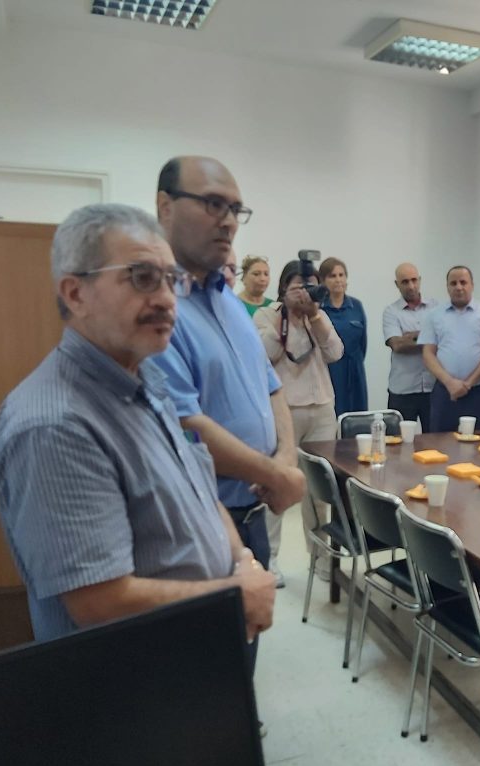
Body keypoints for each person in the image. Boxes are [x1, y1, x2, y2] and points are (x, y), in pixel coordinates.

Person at [0, 203, 275, 644]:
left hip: (201, 644)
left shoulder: (148, 379)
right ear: (75, 294)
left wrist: (242, 562)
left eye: (171, 280)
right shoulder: (54, 426)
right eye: (142, 278)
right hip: (135, 677)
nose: (166, 299)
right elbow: (100, 602)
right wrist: (234, 595)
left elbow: (199, 492)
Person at [153, 156, 306, 677]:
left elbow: (271, 387)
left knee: (241, 662)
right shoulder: (157, 308)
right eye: (212, 204)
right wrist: (276, 475)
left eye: (235, 209)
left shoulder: (228, 302)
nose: (227, 221)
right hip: (200, 526)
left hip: (251, 515)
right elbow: (184, 427)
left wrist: (285, 462)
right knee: (204, 676)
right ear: (165, 206)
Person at [254, 261, 343, 582]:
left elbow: (335, 352)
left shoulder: (318, 315)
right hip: (285, 411)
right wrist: (286, 316)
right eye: (298, 287)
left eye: (310, 286)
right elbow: (263, 355)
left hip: (322, 409)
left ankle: (320, 557)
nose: (305, 293)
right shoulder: (266, 315)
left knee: (319, 489)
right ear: (284, 288)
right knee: (277, 483)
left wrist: (314, 315)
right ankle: (269, 559)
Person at [419, 265, 480, 432]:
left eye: (463, 282)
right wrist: (450, 383)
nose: (458, 287)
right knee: (440, 443)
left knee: (479, 443)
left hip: (477, 392)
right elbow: (428, 354)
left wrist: (467, 384)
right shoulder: (434, 315)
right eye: (453, 283)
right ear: (447, 287)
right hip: (445, 392)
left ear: (472, 285)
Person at [382, 262, 438, 428]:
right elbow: (397, 345)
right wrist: (430, 335)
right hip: (402, 390)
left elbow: (445, 339)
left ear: (420, 280)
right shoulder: (391, 312)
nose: (411, 286)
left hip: (433, 388)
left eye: (414, 280)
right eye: (405, 282)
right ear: (397, 284)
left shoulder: (436, 308)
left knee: (436, 439)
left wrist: (410, 336)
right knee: (399, 441)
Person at [318, 257, 368, 416]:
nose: (338, 280)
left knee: (357, 418)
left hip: (354, 371)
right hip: (329, 370)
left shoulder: (356, 305)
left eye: (341, 275)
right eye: (332, 276)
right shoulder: (319, 308)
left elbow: (363, 344)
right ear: (322, 281)